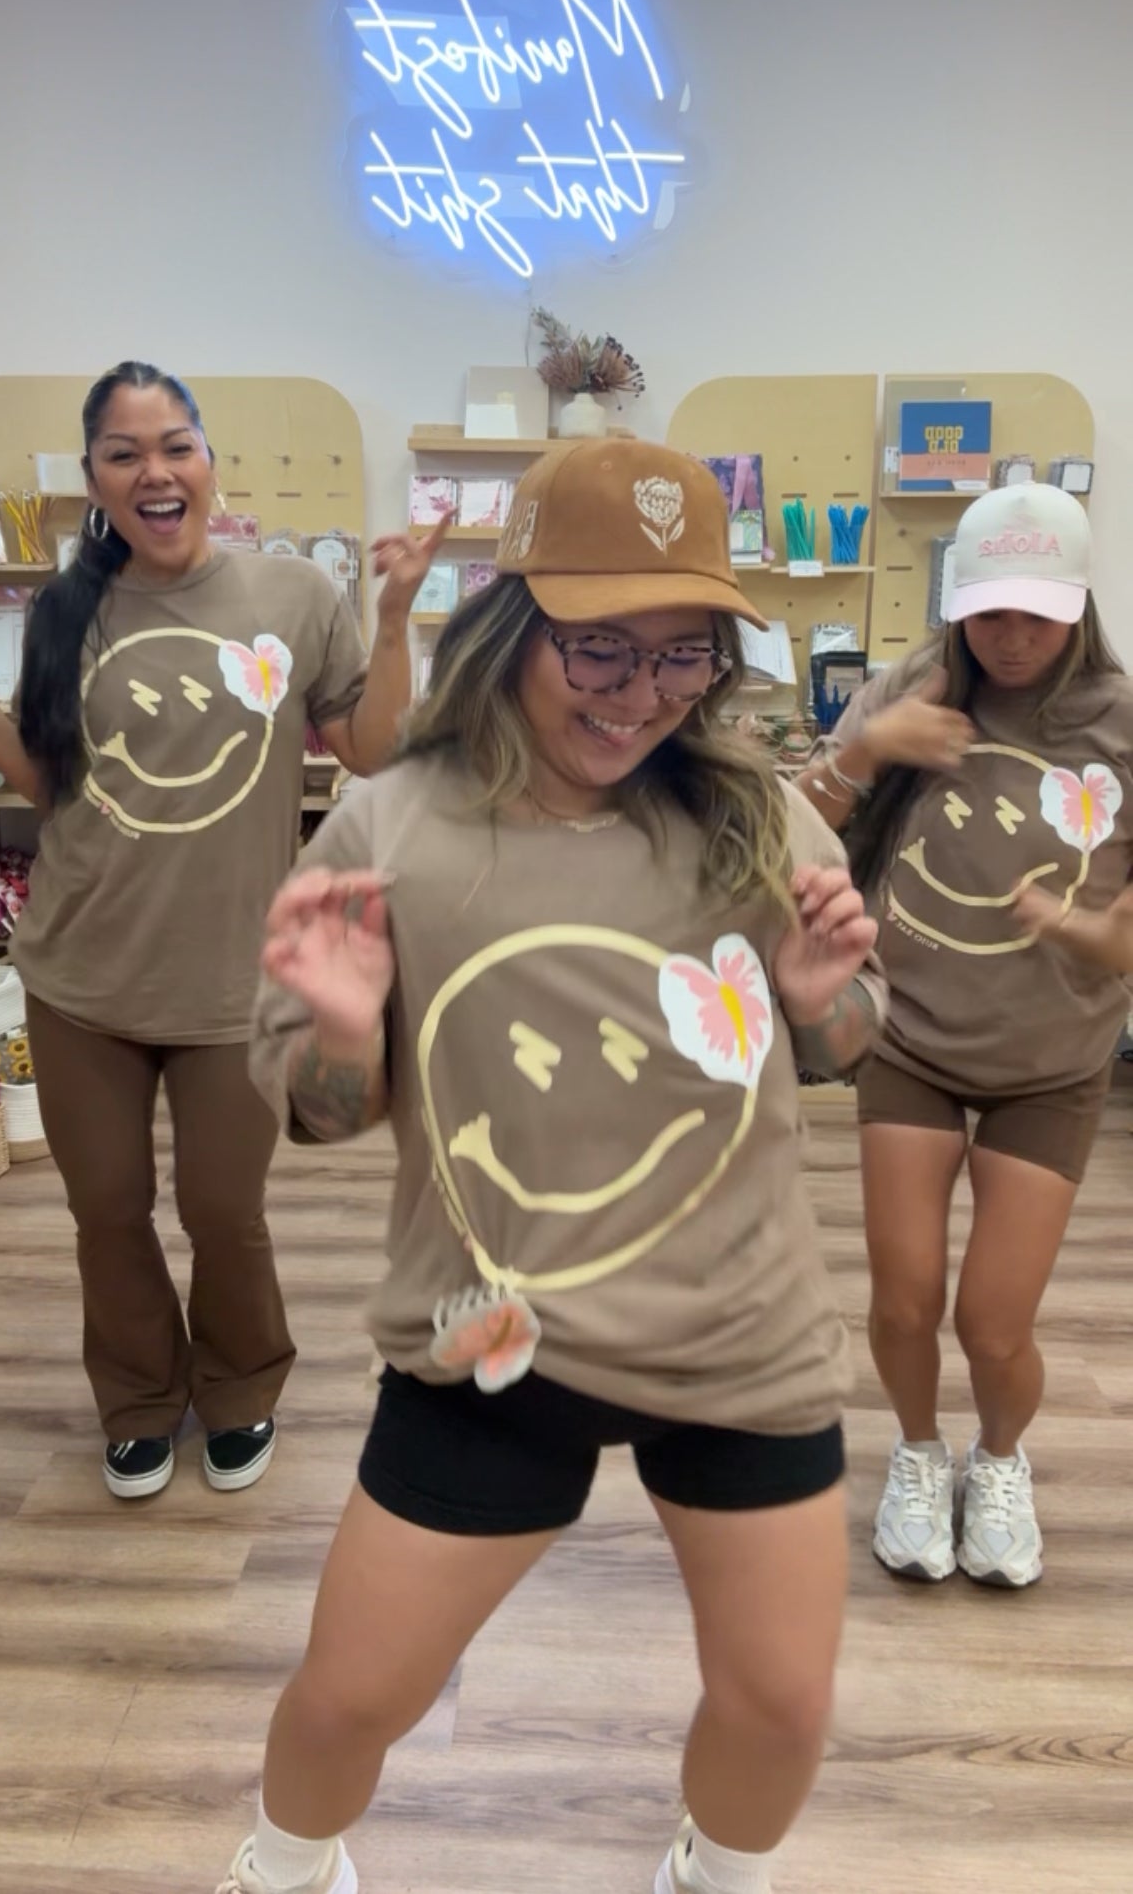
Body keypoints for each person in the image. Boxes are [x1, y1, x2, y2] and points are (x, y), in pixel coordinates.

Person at [222, 438, 885, 1894]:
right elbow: (323, 1116)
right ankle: (284, 1867)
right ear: (514, 624)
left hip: (735, 1328)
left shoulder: (755, 810)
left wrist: (819, 996)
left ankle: (715, 1875)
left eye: (682, 653)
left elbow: (844, 1044)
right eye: (599, 647)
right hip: (488, 1332)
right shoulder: (395, 823)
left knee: (782, 1703)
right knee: (347, 1698)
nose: (640, 693)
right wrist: (344, 1033)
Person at [0, 360, 442, 1500]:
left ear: (209, 462)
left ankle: (242, 1382)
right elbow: (45, 783)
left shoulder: (293, 598)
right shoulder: (66, 612)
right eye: (124, 454)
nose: (154, 471)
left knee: (223, 1208)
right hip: (79, 977)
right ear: (96, 480)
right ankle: (138, 1398)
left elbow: (370, 747)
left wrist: (394, 617)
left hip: (231, 985)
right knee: (106, 1210)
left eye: (175, 446)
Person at [798, 480, 1133, 1588]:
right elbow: (790, 832)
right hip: (913, 1039)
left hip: (1054, 1064)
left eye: (1038, 612)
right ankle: (916, 1452)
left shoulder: (1119, 723)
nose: (1014, 636)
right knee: (903, 1298)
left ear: (1079, 604)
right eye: (991, 612)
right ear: (959, 605)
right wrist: (868, 748)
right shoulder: (916, 686)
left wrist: (1101, 938)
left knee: (994, 1324)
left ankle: (998, 1460)